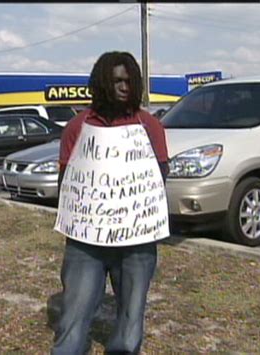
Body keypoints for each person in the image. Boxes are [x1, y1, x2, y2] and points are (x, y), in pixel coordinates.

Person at [52, 51, 169, 354]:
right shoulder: (78, 127)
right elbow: (67, 182)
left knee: (130, 324)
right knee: (73, 319)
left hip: (137, 244)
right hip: (85, 243)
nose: (124, 87)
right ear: (101, 82)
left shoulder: (149, 126)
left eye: (129, 81)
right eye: (116, 81)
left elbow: (159, 177)